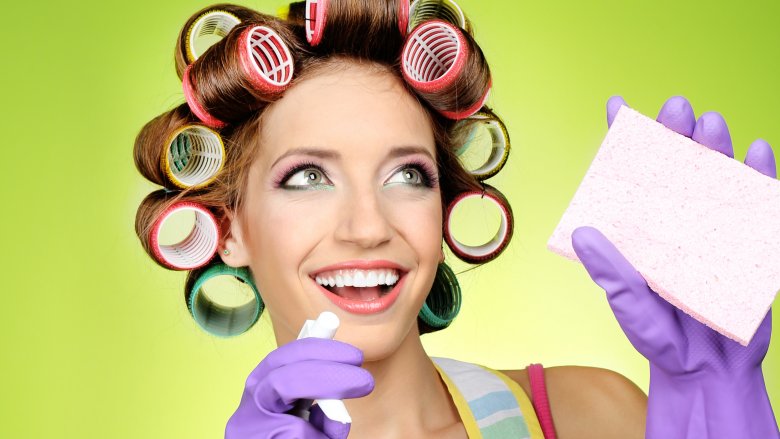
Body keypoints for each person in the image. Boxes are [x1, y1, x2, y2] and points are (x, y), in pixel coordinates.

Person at [132, 1, 779, 437]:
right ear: (230, 224)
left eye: (406, 175)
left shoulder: (591, 418)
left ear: (444, 208)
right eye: (307, 177)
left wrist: (718, 399)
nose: (367, 226)